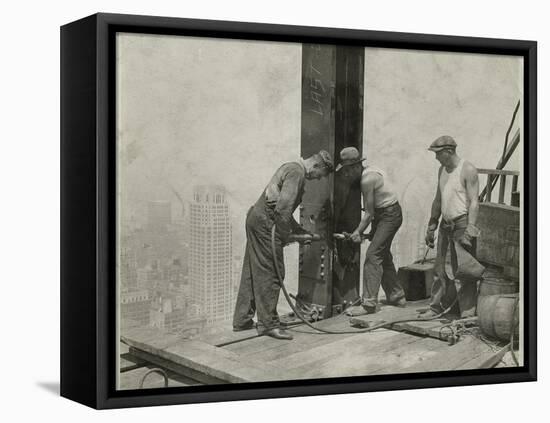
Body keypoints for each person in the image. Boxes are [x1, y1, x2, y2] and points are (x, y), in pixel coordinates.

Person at [232, 151, 334, 340]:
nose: (317, 179)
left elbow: (279, 206)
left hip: (256, 219)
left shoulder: (290, 167)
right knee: (272, 272)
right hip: (265, 224)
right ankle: (268, 324)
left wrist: (300, 231)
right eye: (320, 175)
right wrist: (289, 236)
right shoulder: (297, 173)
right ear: (317, 166)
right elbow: (282, 209)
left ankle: (242, 320)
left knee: (252, 271)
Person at [421, 135, 485, 319]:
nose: (436, 158)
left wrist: (470, 229)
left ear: (449, 151)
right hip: (445, 224)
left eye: (438, 154)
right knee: (439, 267)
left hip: (462, 223)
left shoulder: (468, 169)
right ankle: (436, 307)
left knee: (464, 270)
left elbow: (474, 202)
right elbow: (438, 199)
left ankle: (467, 314)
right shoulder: (442, 169)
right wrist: (432, 225)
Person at [337, 147, 406, 316]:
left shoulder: (368, 179)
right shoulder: (369, 171)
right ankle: (396, 295)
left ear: (354, 167)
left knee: (372, 256)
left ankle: (368, 304)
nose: (346, 175)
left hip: (389, 215)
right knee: (382, 254)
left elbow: (369, 213)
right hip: (385, 214)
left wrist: (357, 232)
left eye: (347, 171)